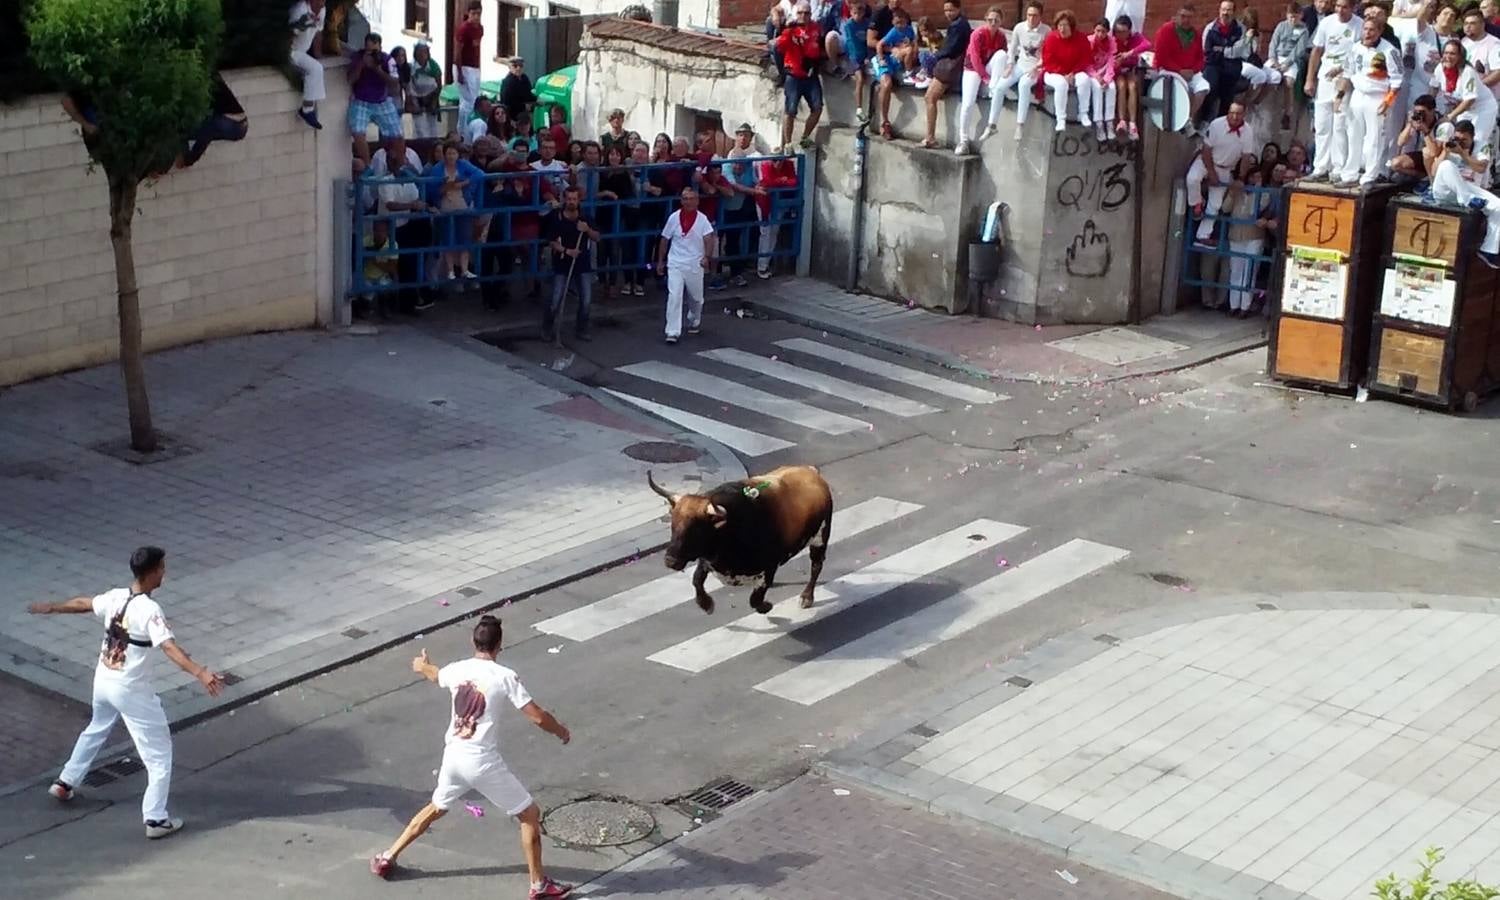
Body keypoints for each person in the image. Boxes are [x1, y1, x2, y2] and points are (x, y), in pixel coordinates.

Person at [370, 617, 573, 900]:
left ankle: (387, 856)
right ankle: (539, 884)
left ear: (473, 642)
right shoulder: (504, 676)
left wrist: (420, 664)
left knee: (437, 807)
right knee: (529, 815)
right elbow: (537, 716)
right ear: (499, 644)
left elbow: (434, 674)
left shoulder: (457, 670)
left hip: (453, 756)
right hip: (482, 762)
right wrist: (561, 731)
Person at [31, 547, 224, 839]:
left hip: (104, 680)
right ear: (151, 572)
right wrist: (200, 672)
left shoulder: (116, 597)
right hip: (132, 690)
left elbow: (84, 603)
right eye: (162, 568)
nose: (164, 573)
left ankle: (65, 781)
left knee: (97, 727)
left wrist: (53, 607)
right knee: (159, 756)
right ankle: (156, 819)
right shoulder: (150, 610)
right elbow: (167, 647)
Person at [1337, 17, 1403, 186]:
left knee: (1374, 138)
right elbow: (1347, 73)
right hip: (1358, 95)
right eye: (1365, 29)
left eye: (1372, 30)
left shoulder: (1389, 51)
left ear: (1380, 31)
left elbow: (1397, 81)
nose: (1367, 33)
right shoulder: (1355, 48)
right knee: (1353, 134)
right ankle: (1350, 174)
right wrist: (1339, 96)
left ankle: (1370, 175)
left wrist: (1387, 102)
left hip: (1378, 96)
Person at [1305, 0, 1365, 181]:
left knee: (1340, 123)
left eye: (1345, 7)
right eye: (1338, 6)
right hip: (1325, 77)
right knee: (1322, 124)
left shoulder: (1359, 25)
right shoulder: (1326, 22)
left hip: (1344, 78)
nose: (1340, 10)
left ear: (1353, 7)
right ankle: (1320, 167)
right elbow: (1316, 51)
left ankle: (1338, 168)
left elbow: (1358, 54)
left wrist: (1341, 69)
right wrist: (1310, 78)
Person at [1429, 123, 1500, 266]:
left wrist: (1462, 153)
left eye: (1464, 140)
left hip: (1469, 189)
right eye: (1457, 138)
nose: (1459, 142)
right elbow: (1434, 172)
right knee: (1446, 166)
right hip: (1446, 191)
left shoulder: (1482, 146)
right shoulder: (1449, 145)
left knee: (1498, 205)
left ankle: (1489, 250)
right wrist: (1445, 152)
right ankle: (1466, 199)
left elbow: (1481, 168)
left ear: (1472, 138)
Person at [1189, 101, 1257, 245]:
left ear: (1244, 115)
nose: (1234, 116)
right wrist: (1211, 173)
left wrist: (1240, 178)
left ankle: (1202, 236)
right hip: (1206, 161)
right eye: (1232, 112)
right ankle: (1196, 205)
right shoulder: (1216, 124)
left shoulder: (1248, 131)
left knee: (1215, 204)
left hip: (1225, 168)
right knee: (1192, 179)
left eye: (1238, 113)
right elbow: (1206, 151)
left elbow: (1246, 157)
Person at [656, 187, 716, 344]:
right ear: (681, 201)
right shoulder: (674, 218)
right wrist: (661, 262)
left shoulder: (702, 219)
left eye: (691, 199)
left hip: (694, 263)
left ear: (697, 201)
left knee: (696, 298)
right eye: (685, 199)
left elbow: (709, 238)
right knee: (674, 295)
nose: (688, 202)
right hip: (676, 262)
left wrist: (706, 257)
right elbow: (664, 239)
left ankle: (694, 319)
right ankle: (672, 331)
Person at [542, 186, 600, 342]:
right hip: (561, 263)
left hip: (582, 264)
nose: (572, 202)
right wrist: (566, 251)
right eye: (569, 199)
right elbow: (552, 242)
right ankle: (547, 328)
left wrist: (587, 230)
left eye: (574, 199)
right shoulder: (556, 217)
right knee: (555, 300)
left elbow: (597, 237)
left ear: (579, 200)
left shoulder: (585, 218)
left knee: (586, 300)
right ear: (564, 200)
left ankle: (581, 329)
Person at [1223, 156, 1276, 317]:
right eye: (1253, 176)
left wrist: (1257, 190)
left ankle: (1245, 306)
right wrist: (1232, 193)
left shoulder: (1265, 194)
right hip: (1236, 234)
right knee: (1236, 270)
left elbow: (1256, 210)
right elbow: (1225, 209)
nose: (1255, 179)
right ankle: (1234, 305)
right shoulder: (1238, 192)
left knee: (1250, 270)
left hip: (1254, 236)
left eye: (1259, 177)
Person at [956, 6, 1010, 153]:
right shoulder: (978, 34)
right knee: (968, 103)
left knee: (1002, 55)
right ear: (985, 20)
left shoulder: (1001, 36)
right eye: (990, 20)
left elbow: (1004, 58)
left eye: (996, 20)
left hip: (989, 69)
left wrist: (1004, 74)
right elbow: (974, 58)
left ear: (1001, 22)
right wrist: (984, 77)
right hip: (973, 69)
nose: (993, 23)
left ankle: (994, 89)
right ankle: (963, 140)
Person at [1151, 4, 1211, 131]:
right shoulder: (1166, 30)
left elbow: (1201, 58)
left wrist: (1193, 70)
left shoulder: (1196, 34)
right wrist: (1179, 70)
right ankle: (1181, 119)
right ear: (1177, 16)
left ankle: (1188, 118)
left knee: (1203, 87)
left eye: (1189, 17)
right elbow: (1161, 57)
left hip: (1190, 71)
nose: (1186, 20)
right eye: (1183, 16)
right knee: (1183, 85)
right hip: (1169, 70)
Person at [922, 0, 972, 148]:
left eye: (951, 10)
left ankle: (930, 137)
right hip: (951, 67)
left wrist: (936, 55)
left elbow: (951, 49)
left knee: (930, 97)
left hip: (949, 68)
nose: (948, 13)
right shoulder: (959, 24)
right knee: (930, 97)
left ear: (958, 9)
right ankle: (930, 136)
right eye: (946, 10)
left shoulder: (958, 26)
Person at [777, 1, 825, 151]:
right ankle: (788, 143)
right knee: (790, 110)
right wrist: (788, 31)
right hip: (794, 75)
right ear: (795, 14)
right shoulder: (790, 29)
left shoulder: (816, 28)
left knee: (817, 108)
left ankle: (805, 137)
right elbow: (780, 47)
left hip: (810, 75)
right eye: (800, 13)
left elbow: (820, 46)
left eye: (806, 13)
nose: (803, 16)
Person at [1002, 1, 1052, 140]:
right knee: (1000, 86)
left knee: (1023, 85)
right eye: (1029, 15)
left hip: (1036, 67)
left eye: (1035, 15)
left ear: (1040, 16)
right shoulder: (1019, 27)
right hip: (1020, 65)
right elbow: (1012, 49)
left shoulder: (1047, 31)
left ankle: (1020, 125)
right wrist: (1010, 64)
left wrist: (1038, 67)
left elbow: (1048, 55)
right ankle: (992, 124)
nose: (1031, 18)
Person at [1041, 11, 1095, 133]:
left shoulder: (1081, 39)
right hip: (1053, 73)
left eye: (1065, 25)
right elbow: (1048, 61)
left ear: (1071, 26)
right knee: (1061, 84)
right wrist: (1063, 74)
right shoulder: (1051, 38)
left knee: (1084, 80)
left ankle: (1083, 113)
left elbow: (1085, 59)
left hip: (1074, 72)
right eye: (1060, 25)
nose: (1062, 28)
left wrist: (1073, 73)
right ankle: (1061, 118)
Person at [1268, 1, 1313, 131]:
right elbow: (1273, 43)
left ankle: (1287, 113)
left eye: (1296, 16)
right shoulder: (1281, 26)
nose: (1293, 19)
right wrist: (1274, 60)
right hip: (1276, 57)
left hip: (1290, 60)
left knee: (1289, 82)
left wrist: (1286, 64)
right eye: (1290, 16)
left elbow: (1298, 50)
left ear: (1300, 16)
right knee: (1267, 76)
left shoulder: (1303, 30)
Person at [874, 7, 917, 139]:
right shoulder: (892, 32)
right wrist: (881, 59)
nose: (900, 23)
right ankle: (884, 121)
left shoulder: (909, 31)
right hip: (886, 59)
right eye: (897, 21)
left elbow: (914, 45)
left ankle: (908, 72)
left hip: (898, 61)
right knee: (887, 84)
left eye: (902, 20)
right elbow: (879, 44)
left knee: (909, 50)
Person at [1112, 15, 1151, 139]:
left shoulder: (1135, 38)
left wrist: (1129, 53)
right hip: (1117, 72)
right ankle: (1122, 120)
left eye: (1123, 32)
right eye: (1117, 31)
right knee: (1122, 86)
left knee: (1133, 86)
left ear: (1129, 31)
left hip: (1130, 70)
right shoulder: (1112, 40)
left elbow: (1147, 44)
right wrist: (1117, 64)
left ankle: (1132, 123)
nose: (1120, 34)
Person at [289, 0, 325, 130]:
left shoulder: (322, 11)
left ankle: (308, 109)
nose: (323, 2)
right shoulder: (299, 10)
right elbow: (289, 31)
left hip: (302, 51)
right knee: (316, 69)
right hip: (290, 51)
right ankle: (307, 110)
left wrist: (318, 55)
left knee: (317, 67)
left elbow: (318, 33)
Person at [1390, 92, 1439, 180]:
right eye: (1417, 112)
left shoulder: (1442, 124)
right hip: (1423, 156)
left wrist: (1425, 131)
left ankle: (1432, 179)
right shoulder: (1417, 121)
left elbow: (1434, 152)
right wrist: (1409, 124)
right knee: (1395, 164)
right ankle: (1423, 178)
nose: (1420, 115)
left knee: (1427, 152)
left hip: (1438, 158)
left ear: (1432, 111)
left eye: (1423, 112)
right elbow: (1400, 142)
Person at [1086, 18, 1118, 142]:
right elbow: (1086, 63)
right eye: (1098, 31)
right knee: (1097, 89)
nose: (1100, 34)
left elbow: (1111, 61)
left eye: (1103, 31)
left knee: (1112, 88)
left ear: (1107, 32)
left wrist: (1107, 78)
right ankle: (1099, 123)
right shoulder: (1089, 41)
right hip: (1092, 73)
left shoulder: (1111, 42)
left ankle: (1109, 123)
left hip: (1105, 72)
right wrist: (1097, 77)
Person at [454, 1, 485, 124]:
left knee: (474, 99)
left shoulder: (480, 29)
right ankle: (464, 129)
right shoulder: (463, 29)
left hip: (475, 67)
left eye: (478, 14)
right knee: (468, 102)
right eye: (474, 14)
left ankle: (468, 127)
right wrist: (459, 72)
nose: (476, 17)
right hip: (464, 66)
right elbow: (458, 52)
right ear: (469, 13)